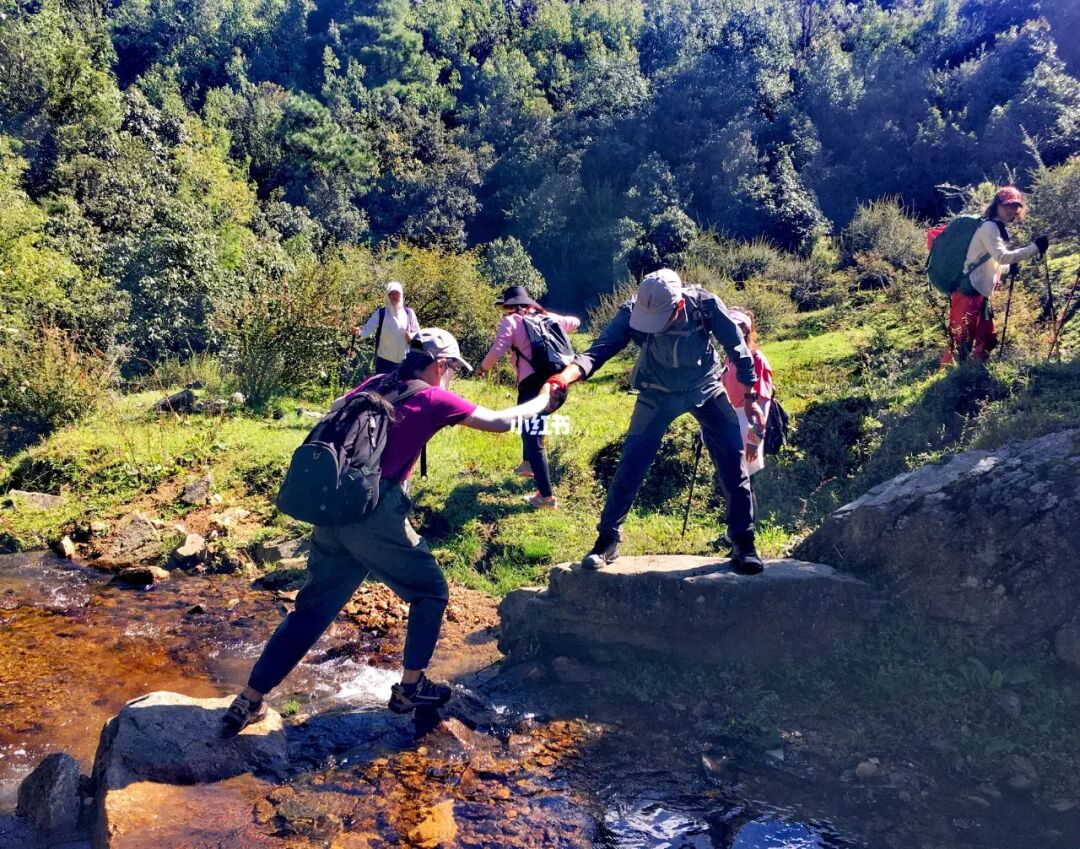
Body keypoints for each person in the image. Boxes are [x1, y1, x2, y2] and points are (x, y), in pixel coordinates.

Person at [221, 328, 566, 734]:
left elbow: (335, 407)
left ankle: (249, 699)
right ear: (440, 365)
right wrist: (544, 400)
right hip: (375, 513)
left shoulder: (375, 382)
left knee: (310, 612)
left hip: (334, 509)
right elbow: (499, 422)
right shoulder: (432, 397)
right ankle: (411, 688)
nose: (452, 376)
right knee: (430, 591)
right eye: (453, 369)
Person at [548, 268, 766, 574]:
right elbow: (597, 353)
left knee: (734, 460)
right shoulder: (631, 311)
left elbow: (738, 349)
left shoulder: (705, 304)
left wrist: (752, 398)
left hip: (706, 389)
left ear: (678, 306)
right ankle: (606, 540)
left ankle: (743, 542)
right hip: (656, 393)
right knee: (632, 463)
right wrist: (563, 379)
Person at [477, 286, 581, 510]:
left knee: (531, 435)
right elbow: (575, 322)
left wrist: (483, 367)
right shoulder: (547, 317)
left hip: (532, 385)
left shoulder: (511, 321)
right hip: (557, 382)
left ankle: (547, 497)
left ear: (509, 306)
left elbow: (499, 348)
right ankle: (527, 465)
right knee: (534, 426)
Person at [941, 187, 1049, 364]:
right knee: (960, 340)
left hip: (979, 293)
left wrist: (1007, 268)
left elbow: (991, 263)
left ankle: (975, 375)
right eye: (1007, 205)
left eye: (1016, 206)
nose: (1012, 210)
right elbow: (1001, 256)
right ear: (996, 205)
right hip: (967, 291)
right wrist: (1034, 249)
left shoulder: (997, 227)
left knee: (986, 340)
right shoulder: (989, 227)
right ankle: (945, 381)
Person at [716, 307, 773, 550]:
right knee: (735, 481)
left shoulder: (757, 359)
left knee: (744, 482)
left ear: (747, 331)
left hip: (746, 424)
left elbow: (763, 404)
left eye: (740, 328)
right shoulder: (728, 360)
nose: (735, 333)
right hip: (729, 423)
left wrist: (754, 438)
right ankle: (737, 532)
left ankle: (742, 534)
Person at [355, 281, 421, 374]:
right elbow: (366, 330)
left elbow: (418, 335)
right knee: (383, 388)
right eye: (391, 294)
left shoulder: (409, 313)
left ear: (401, 295)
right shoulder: (381, 313)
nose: (394, 296)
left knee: (402, 388)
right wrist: (358, 333)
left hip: (404, 362)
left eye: (397, 293)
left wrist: (411, 337)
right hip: (384, 363)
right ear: (388, 296)